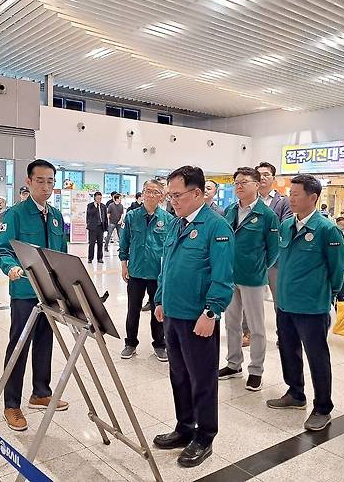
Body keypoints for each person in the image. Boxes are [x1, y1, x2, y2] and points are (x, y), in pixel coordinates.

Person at [152, 166, 234, 468]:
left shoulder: (216, 227)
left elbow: (224, 276)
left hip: (199, 318)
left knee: (202, 379)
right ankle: (184, 427)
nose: (172, 200)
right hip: (173, 315)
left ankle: (205, 435)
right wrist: (160, 299)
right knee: (179, 375)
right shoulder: (176, 224)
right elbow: (167, 266)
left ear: (197, 193)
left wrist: (211, 312)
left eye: (177, 195)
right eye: (169, 195)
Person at [267, 174, 344, 432]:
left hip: (312, 306)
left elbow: (337, 269)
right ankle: (295, 393)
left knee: (317, 357)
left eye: (296, 195)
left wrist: (329, 295)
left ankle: (323, 407)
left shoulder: (327, 229)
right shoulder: (287, 224)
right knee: (288, 350)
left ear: (313, 198)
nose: (291, 198)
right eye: (290, 194)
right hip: (285, 303)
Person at [0, 159, 69, 432]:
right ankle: (11, 404)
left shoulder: (57, 216)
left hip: (49, 294)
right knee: (19, 345)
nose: (46, 186)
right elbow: (2, 250)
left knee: (44, 342)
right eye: (40, 181)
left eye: (50, 181)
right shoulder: (14, 215)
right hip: (25, 292)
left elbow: (61, 253)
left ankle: (40, 393)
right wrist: (11, 267)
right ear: (28, 182)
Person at [218, 167, 279, 392]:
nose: (239, 186)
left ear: (257, 184)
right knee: (231, 322)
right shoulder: (230, 210)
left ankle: (256, 370)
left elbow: (274, 250)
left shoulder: (267, 215)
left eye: (244, 182)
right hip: (230, 276)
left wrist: (259, 268)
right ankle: (234, 364)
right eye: (236, 182)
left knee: (256, 327)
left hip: (253, 278)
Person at [119, 180, 174, 362]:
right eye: (147, 191)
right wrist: (123, 264)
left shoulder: (168, 220)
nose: (150, 195)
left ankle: (159, 344)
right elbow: (124, 242)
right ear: (142, 193)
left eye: (155, 192)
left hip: (157, 274)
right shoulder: (132, 216)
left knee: (158, 310)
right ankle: (130, 343)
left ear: (161, 196)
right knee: (132, 309)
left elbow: (170, 249)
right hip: (135, 271)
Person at [256, 161, 293, 346]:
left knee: (280, 299)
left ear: (273, 178)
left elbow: (285, 226)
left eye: (266, 174)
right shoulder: (248, 201)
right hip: (252, 258)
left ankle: (284, 334)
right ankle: (247, 333)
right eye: (259, 174)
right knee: (249, 300)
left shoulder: (283, 201)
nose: (262, 177)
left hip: (275, 259)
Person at [86, 192, 107, 263]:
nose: (99, 199)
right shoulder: (90, 205)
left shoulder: (103, 206)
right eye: (98, 198)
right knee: (92, 243)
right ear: (94, 198)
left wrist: (105, 227)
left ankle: (100, 258)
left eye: (100, 198)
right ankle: (90, 258)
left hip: (101, 227)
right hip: (93, 228)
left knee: (100, 243)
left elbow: (105, 217)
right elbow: (90, 213)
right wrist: (95, 207)